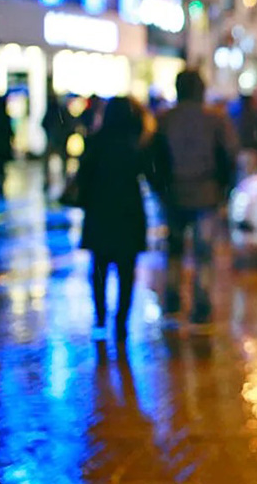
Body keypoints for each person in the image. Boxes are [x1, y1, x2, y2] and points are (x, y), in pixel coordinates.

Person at [152, 70, 238, 325]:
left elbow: (154, 159)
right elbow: (229, 156)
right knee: (204, 255)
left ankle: (172, 303)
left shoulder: (166, 119)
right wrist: (223, 189)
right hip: (207, 195)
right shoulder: (215, 119)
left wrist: (161, 189)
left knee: (174, 252)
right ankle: (201, 307)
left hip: (174, 195)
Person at [76, 96, 154, 340]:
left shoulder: (95, 142)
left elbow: (83, 177)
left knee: (99, 268)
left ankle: (100, 318)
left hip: (100, 213)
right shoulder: (136, 146)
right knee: (126, 272)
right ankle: (121, 322)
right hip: (128, 214)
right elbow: (152, 176)